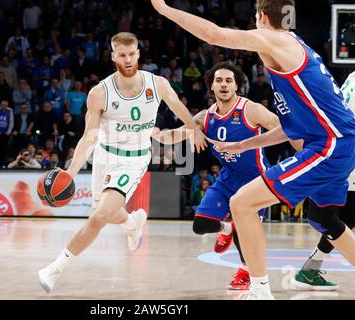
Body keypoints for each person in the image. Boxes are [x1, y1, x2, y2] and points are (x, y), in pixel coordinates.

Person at [151, 0, 355, 299]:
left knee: (242, 203)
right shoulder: (293, 50)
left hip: (330, 146)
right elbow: (288, 128)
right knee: (325, 220)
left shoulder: (275, 39)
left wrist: (164, 9)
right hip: (337, 143)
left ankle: (260, 290)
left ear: (260, 17)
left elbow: (214, 34)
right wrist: (243, 144)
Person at [37, 32, 208, 294]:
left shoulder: (158, 84)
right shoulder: (99, 93)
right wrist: (70, 172)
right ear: (113, 56)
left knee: (98, 217)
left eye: (132, 54)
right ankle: (132, 222)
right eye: (122, 55)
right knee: (109, 213)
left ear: (138, 53)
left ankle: (55, 269)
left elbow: (177, 106)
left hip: (133, 160)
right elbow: (88, 138)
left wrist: (192, 128)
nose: (128, 59)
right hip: (104, 156)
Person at [153, 63, 301, 291]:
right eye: (219, 80)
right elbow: (175, 135)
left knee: (246, 232)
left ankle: (245, 272)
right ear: (211, 85)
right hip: (228, 177)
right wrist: (155, 134)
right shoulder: (206, 116)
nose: (224, 84)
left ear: (236, 85)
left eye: (229, 81)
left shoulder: (250, 109)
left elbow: (284, 129)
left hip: (256, 179)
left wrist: (248, 145)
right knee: (201, 225)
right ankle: (227, 229)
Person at [291, 72, 355, 291]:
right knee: (329, 218)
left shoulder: (351, 78)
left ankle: (310, 268)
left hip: (338, 156)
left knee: (342, 219)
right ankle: (310, 269)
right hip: (343, 156)